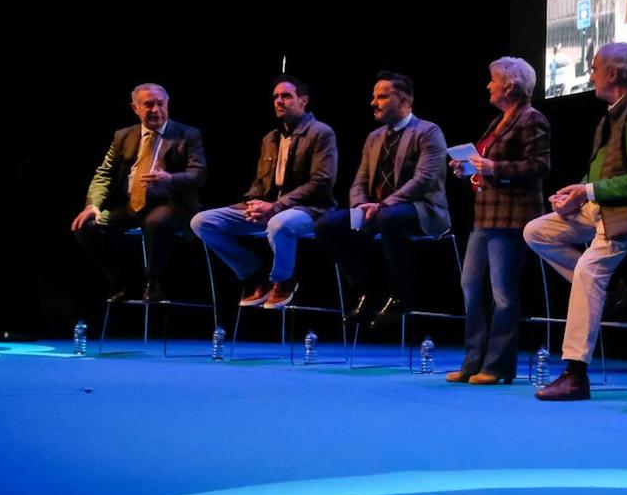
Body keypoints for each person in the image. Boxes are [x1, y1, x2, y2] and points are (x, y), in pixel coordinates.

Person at [523, 41, 627, 401]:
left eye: (594, 68)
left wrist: (587, 191)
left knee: (589, 272)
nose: (590, 75)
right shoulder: (615, 110)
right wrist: (573, 196)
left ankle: (576, 374)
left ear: (613, 73)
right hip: (602, 208)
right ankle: (612, 294)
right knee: (537, 231)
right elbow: (603, 174)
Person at [313, 71, 450, 330]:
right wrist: (360, 206)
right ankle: (370, 289)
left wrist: (382, 206)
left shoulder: (428, 131)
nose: (373, 102)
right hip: (376, 211)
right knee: (326, 225)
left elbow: (425, 180)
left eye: (382, 97)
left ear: (405, 101)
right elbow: (359, 181)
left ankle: (401, 296)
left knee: (389, 218)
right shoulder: (374, 137)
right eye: (374, 96)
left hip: (421, 209)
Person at [189, 76, 338, 310]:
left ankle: (283, 280)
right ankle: (254, 272)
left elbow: (321, 182)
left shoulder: (321, 133)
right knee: (202, 222)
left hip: (309, 210)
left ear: (303, 100)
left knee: (279, 224)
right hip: (270, 209)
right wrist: (253, 203)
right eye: (276, 97)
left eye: (286, 96)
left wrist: (276, 206)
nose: (279, 101)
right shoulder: (270, 137)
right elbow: (260, 181)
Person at [446, 57, 551, 384]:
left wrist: (493, 169)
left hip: (511, 217)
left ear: (509, 84)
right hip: (485, 216)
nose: (488, 85)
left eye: (493, 79)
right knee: (471, 286)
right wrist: (468, 169)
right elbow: (485, 166)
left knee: (502, 292)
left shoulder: (532, 119)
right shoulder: (498, 122)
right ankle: (472, 361)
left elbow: (539, 166)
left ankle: (497, 365)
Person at [70, 82, 208, 303]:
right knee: (86, 226)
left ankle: (154, 281)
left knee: (156, 223)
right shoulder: (123, 136)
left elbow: (198, 174)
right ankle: (125, 280)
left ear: (168, 104)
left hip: (170, 204)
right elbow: (104, 173)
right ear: (135, 108)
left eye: (160, 104)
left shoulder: (187, 134)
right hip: (131, 206)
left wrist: (170, 179)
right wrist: (92, 205)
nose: (156, 110)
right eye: (148, 105)